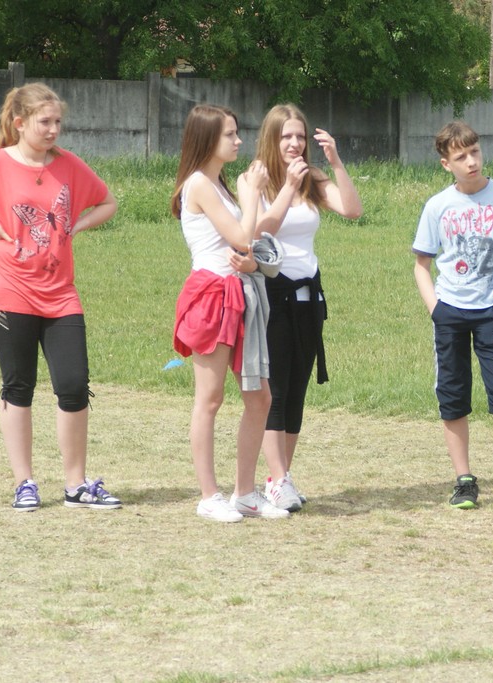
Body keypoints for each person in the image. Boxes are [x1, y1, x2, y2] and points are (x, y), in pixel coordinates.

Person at [0, 83, 122, 512]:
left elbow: (107, 202)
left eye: (58, 122)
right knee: (19, 386)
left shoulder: (69, 165)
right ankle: (25, 483)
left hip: (61, 294)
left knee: (73, 385)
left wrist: (79, 225)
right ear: (20, 123)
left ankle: (76, 485)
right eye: (45, 122)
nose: (54, 129)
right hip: (10, 290)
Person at [413, 121, 493, 515]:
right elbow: (421, 264)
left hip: (491, 313)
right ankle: (464, 480)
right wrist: (436, 309)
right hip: (450, 312)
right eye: (461, 156)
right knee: (453, 397)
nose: (471, 161)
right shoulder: (437, 206)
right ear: (445, 164)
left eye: (474, 152)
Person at [171, 103, 287, 522]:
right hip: (211, 295)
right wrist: (251, 195)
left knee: (260, 396)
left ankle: (245, 493)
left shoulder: (217, 184)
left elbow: (247, 240)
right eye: (230, 134)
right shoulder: (199, 184)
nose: (239, 141)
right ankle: (209, 495)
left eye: (237, 133)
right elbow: (241, 237)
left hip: (240, 294)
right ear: (206, 138)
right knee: (210, 398)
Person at [250, 104, 362, 512]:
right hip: (272, 296)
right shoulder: (256, 178)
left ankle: (281, 478)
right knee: (274, 392)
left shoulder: (312, 177)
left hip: (309, 297)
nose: (295, 144)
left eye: (300, 136)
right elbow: (259, 231)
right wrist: (287, 187)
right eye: (286, 137)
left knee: (297, 389)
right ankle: (277, 478)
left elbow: (352, 209)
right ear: (272, 139)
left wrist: (335, 163)